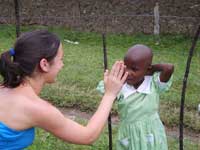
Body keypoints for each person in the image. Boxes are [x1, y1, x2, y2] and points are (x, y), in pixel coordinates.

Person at [0, 30, 128, 150]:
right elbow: (88, 136)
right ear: (44, 64)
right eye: (60, 59)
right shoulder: (36, 108)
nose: (62, 65)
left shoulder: (3, 89)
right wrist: (110, 94)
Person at [97, 44, 174, 150]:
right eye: (126, 67)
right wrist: (117, 78)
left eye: (134, 69)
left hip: (151, 132)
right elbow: (107, 95)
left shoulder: (153, 84)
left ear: (147, 70)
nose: (128, 72)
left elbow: (169, 68)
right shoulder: (120, 86)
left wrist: (151, 70)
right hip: (129, 135)